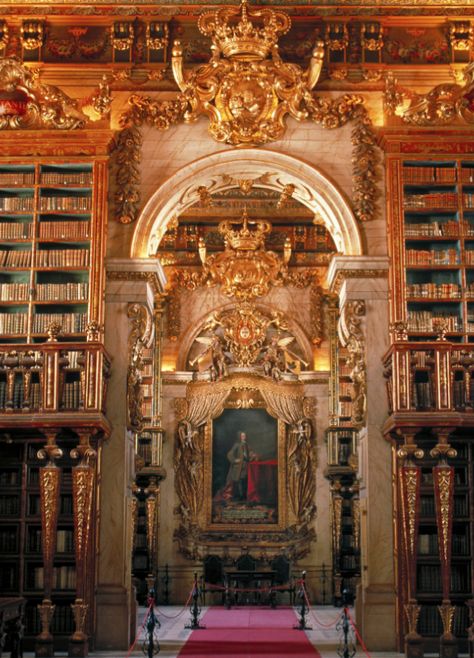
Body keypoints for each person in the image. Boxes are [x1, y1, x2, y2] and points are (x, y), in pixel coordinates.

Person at [226, 432, 256, 501]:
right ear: (240, 437)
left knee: (245, 480)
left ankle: (244, 496)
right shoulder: (237, 445)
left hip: (246, 466)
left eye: (245, 435)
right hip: (239, 467)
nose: (244, 437)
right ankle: (240, 496)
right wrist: (235, 460)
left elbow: (249, 455)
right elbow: (229, 454)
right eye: (242, 436)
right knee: (239, 481)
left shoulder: (247, 445)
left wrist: (253, 456)